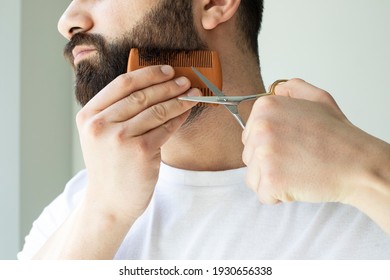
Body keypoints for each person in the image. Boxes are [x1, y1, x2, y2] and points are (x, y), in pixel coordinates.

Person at [18, 0, 390, 259]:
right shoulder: (72, 211)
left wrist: (371, 173)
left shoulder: (365, 197)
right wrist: (103, 212)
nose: (66, 20)